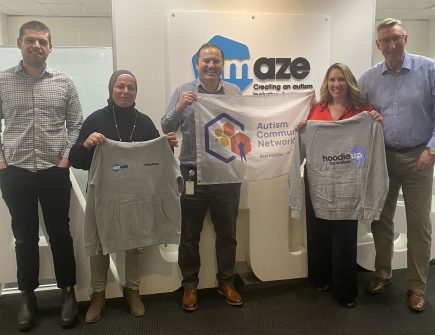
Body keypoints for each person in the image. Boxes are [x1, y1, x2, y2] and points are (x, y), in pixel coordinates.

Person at [69, 69, 178, 323]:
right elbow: (76, 160)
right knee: (99, 245)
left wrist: (167, 148)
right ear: (111, 89)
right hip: (102, 197)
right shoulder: (96, 120)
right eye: (120, 86)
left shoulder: (145, 122)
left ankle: (133, 291)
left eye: (131, 87)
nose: (125, 91)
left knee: (135, 242)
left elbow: (158, 164)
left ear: (135, 92)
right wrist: (86, 144)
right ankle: (98, 296)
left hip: (136, 197)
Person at [0, 21, 83, 331]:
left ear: (50, 47)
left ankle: (67, 292)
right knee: (24, 236)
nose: (36, 45)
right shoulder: (3, 80)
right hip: (15, 172)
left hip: (53, 171)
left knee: (60, 234)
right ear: (19, 43)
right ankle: (27, 296)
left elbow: (76, 124)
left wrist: (65, 159)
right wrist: (1, 162)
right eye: (30, 40)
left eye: (42, 41)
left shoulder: (65, 82)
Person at [358, 18, 435, 312]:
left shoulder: (429, 69)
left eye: (395, 38)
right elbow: (357, 116)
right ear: (378, 45)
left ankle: (417, 287)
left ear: (405, 38)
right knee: (381, 220)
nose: (391, 45)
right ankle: (382, 273)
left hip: (420, 159)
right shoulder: (368, 79)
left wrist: (432, 150)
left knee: (420, 226)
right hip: (383, 158)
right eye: (385, 41)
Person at [161, 43, 243, 311]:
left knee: (227, 234)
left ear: (223, 64)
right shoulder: (184, 91)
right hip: (192, 171)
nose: (211, 65)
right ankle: (190, 285)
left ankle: (226, 282)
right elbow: (166, 126)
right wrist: (180, 106)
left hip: (227, 174)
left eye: (216, 61)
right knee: (189, 234)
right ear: (197, 63)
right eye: (206, 61)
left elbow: (247, 124)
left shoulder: (234, 92)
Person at [297, 63, 382, 308]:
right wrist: (300, 131)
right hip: (319, 183)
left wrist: (375, 123)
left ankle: (345, 290)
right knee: (318, 232)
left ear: (349, 83)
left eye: (341, 79)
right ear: (327, 83)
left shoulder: (362, 112)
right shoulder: (316, 111)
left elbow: (364, 150)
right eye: (332, 80)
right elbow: (306, 141)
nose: (336, 84)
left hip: (348, 184)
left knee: (345, 237)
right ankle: (321, 279)